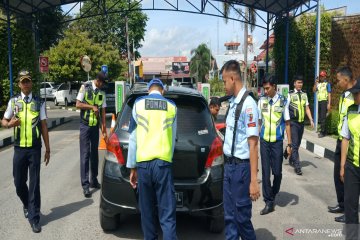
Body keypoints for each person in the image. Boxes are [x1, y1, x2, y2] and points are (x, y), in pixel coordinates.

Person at [127, 79, 177, 240]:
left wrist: (132, 167)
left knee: (147, 212)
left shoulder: (138, 104)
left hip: (143, 165)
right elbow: (174, 138)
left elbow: (133, 138)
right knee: (167, 213)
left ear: (148, 90)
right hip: (163, 164)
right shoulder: (172, 107)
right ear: (162, 91)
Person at [1, 70, 50, 233]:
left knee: (34, 185)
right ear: (19, 84)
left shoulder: (38, 101)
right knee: (18, 183)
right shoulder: (14, 101)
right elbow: (4, 120)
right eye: (23, 81)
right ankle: (27, 204)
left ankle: (34, 218)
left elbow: (43, 126)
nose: (26, 84)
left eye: (28, 81)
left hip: (35, 149)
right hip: (19, 149)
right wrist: (10, 124)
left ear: (31, 83)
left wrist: (48, 148)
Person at [221, 60, 260, 240]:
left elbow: (253, 145)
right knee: (229, 217)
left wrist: (254, 180)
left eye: (224, 81)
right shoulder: (233, 103)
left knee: (241, 218)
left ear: (232, 78)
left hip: (241, 170)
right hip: (229, 167)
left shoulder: (249, 104)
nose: (224, 85)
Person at [258, 74, 292, 215]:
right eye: (264, 89)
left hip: (277, 142)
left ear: (274, 87)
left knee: (277, 172)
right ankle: (269, 201)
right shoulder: (261, 101)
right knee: (266, 173)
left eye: (267, 88)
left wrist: (289, 144)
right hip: (264, 141)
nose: (265, 91)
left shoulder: (283, 101)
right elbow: (259, 122)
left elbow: (288, 123)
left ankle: (273, 191)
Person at [328, 67, 356, 223]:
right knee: (338, 174)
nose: (337, 83)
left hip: (351, 142)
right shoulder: (344, 95)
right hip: (341, 139)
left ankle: (349, 211)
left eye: (338, 80)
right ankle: (342, 204)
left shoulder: (354, 96)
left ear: (346, 80)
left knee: (347, 177)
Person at [76, 71, 107, 198]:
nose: (103, 86)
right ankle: (85, 185)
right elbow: (77, 104)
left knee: (94, 154)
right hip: (85, 126)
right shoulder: (85, 87)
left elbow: (103, 112)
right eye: (102, 83)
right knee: (85, 155)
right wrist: (91, 107)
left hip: (95, 127)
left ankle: (94, 180)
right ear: (98, 81)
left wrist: (104, 129)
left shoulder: (102, 93)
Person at [339, 78, 360, 240]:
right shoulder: (351, 110)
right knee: (351, 206)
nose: (353, 97)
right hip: (353, 165)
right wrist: (342, 165)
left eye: (356, 94)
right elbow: (345, 138)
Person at [288, 75, 314, 175]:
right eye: (298, 82)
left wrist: (311, 119)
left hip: (301, 123)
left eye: (301, 83)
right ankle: (297, 166)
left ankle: (292, 157)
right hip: (293, 123)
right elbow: (286, 108)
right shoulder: (290, 94)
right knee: (294, 144)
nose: (300, 84)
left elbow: (307, 108)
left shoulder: (304, 95)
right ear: (294, 83)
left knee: (297, 144)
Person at [313, 70, 331, 138]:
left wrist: (329, 103)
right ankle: (324, 130)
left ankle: (322, 132)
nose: (321, 77)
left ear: (325, 77)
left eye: (323, 76)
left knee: (323, 117)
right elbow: (314, 90)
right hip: (319, 101)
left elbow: (329, 94)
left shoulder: (327, 84)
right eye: (320, 76)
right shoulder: (319, 84)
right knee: (320, 117)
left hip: (324, 101)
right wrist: (316, 83)